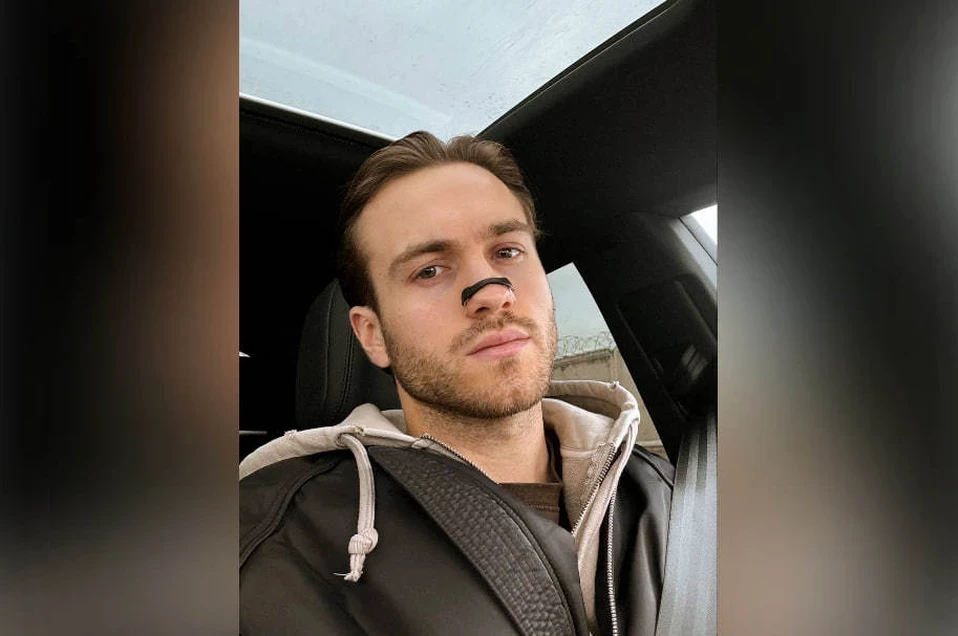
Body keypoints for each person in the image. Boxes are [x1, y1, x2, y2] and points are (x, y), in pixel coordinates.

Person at [239, 131, 674, 635]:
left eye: (507, 251)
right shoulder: (266, 549)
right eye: (429, 270)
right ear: (373, 335)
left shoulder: (669, 495)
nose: (492, 293)